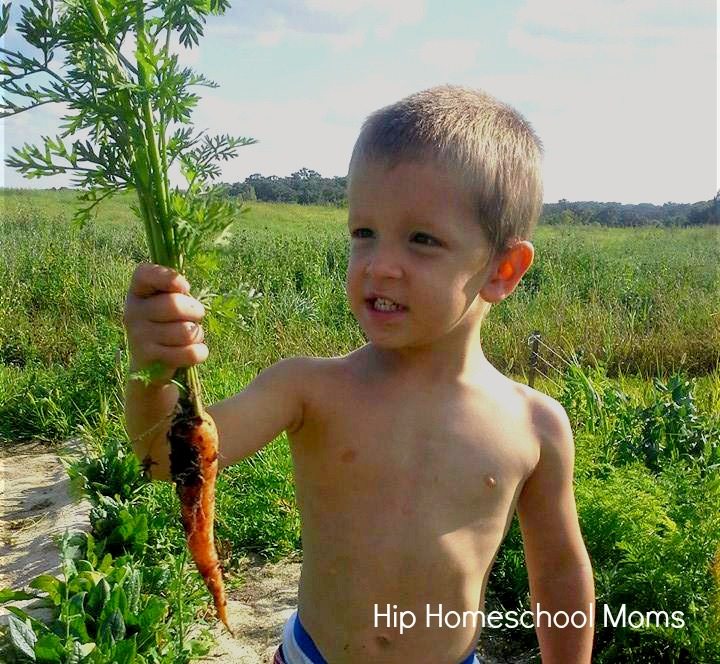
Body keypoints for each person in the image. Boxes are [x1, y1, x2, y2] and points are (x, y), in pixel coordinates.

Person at [123, 85, 595, 664]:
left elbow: (559, 572)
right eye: (363, 232)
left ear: (503, 269)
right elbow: (164, 462)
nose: (378, 265)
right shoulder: (307, 388)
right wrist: (151, 367)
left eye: (421, 239)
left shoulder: (535, 426)